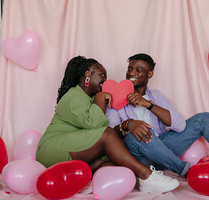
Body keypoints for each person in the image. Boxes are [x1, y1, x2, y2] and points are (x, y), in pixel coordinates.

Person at [36, 55, 180, 193]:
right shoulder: (73, 96)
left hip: (72, 146)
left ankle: (89, 181)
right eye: (102, 75)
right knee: (108, 135)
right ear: (88, 74)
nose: (105, 81)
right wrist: (100, 97)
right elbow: (96, 126)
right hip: (52, 148)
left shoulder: (89, 98)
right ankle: (147, 176)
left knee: (119, 154)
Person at [106, 53, 209, 177]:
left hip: (164, 148)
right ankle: (186, 171)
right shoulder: (116, 98)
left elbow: (180, 125)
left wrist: (149, 104)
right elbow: (110, 134)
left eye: (138, 70)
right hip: (139, 157)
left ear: (150, 74)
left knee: (204, 118)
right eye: (130, 69)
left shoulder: (156, 96)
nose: (132, 73)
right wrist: (129, 125)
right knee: (140, 132)